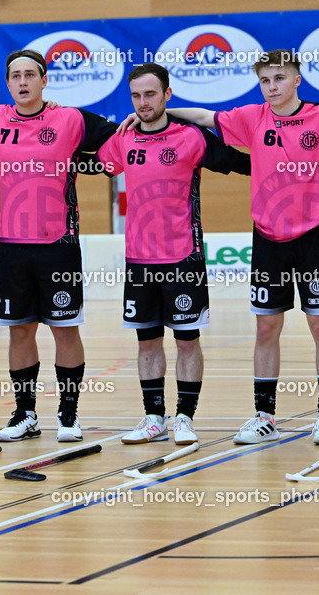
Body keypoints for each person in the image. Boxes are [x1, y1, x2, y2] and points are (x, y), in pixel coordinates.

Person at [160, 49, 319, 445]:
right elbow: (208, 118)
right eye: (264, 80)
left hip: (314, 237)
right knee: (266, 327)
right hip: (267, 238)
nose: (272, 87)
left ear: (297, 79)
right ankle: (264, 415)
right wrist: (160, 113)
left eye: (279, 78)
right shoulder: (253, 118)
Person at [0, 49, 118, 443]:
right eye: (15, 75)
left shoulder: (68, 118)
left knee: (65, 330)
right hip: (13, 246)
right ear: (8, 82)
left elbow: (119, 139)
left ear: (44, 79)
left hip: (59, 244)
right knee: (20, 331)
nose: (22, 82)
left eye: (29, 75)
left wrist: (78, 162)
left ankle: (68, 415)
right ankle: (26, 414)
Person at [99, 63, 249, 445]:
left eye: (151, 94)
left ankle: (184, 417)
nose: (143, 102)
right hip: (139, 261)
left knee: (187, 341)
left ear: (168, 94)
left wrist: (290, 169)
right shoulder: (122, 139)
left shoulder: (193, 138)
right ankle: (154, 419)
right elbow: (84, 157)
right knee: (146, 342)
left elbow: (239, 163)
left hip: (184, 257)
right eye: (136, 96)